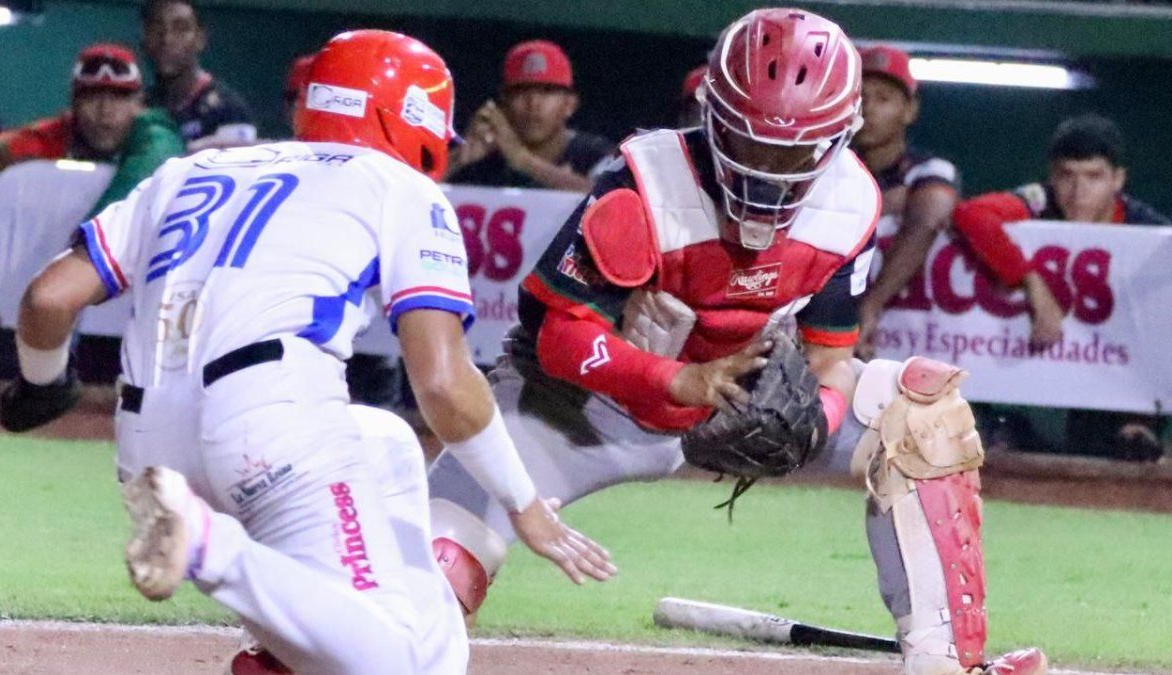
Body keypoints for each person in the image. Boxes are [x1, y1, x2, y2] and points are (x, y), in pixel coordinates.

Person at [426, 9, 1046, 674]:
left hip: (736, 395)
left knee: (922, 411)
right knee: (423, 583)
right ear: (710, 115)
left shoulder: (850, 204)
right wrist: (673, 380)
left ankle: (945, 662)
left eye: (795, 149)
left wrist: (814, 421)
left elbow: (831, 355)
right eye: (750, 144)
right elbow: (559, 338)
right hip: (578, 407)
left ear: (842, 135)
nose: (769, 168)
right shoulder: (641, 180)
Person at [1, 29, 613, 674]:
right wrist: (522, 504)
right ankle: (214, 548)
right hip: (271, 425)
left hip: (146, 444)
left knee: (387, 444)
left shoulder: (192, 169)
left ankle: (284, 655)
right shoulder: (397, 185)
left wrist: (43, 383)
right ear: (406, 117)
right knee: (403, 669)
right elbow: (441, 381)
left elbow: (48, 299)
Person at [953, 113, 1169, 462]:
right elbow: (970, 215)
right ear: (1052, 176)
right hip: (1030, 365)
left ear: (1118, 179)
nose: (1078, 190)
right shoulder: (1041, 201)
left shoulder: (1147, 231)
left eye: (1093, 177)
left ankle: (1138, 425)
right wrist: (1033, 284)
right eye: (1067, 175)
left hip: (1112, 381)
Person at [0, 43, 183, 269]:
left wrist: (85, 251)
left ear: (139, 104)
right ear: (74, 102)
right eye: (92, 96)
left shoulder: (154, 138)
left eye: (119, 97)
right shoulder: (52, 136)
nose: (105, 111)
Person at [852, 45, 960, 361]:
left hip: (915, 336)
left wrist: (869, 307)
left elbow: (928, 219)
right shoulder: (826, 168)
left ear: (909, 109)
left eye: (883, 99)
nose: (868, 110)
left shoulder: (930, 169)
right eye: (860, 98)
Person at [445, 39, 613, 192]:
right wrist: (459, 158)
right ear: (504, 102)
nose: (533, 104)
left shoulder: (594, 154)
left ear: (570, 105)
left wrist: (523, 160)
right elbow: (419, 194)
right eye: (521, 91)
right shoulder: (484, 160)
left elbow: (611, 202)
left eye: (547, 91)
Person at [141, 0, 257, 150]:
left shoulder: (228, 110)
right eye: (156, 28)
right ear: (144, 38)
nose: (166, 39)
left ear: (200, 39)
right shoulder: (138, 108)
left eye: (180, 29)